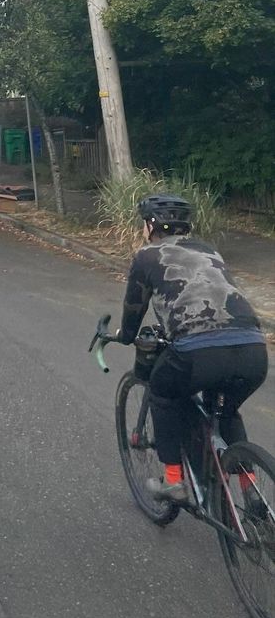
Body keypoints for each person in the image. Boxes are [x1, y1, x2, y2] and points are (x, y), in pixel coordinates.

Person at [117, 195, 268, 504]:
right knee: (226, 410)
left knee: (162, 392)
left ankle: (174, 481)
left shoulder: (147, 255)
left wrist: (126, 335)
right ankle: (251, 490)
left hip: (198, 352)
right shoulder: (209, 250)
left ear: (151, 225)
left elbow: (134, 307)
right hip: (253, 348)